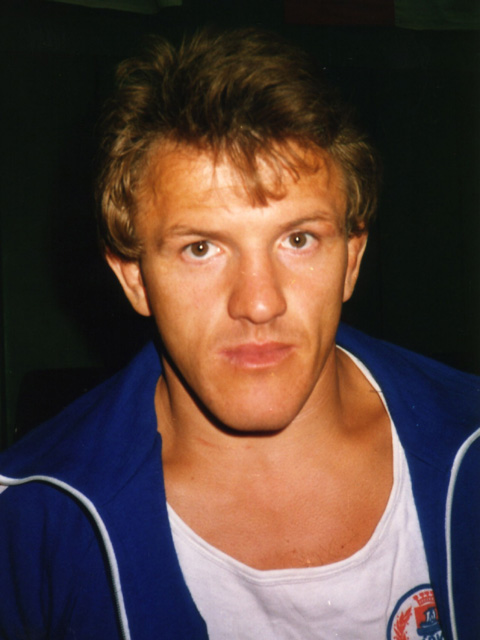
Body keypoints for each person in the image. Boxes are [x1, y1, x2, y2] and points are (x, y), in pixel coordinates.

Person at [0, 27, 478, 640]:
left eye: (298, 239)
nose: (258, 302)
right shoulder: (32, 520)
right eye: (201, 248)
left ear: (352, 260)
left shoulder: (471, 442)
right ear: (134, 278)